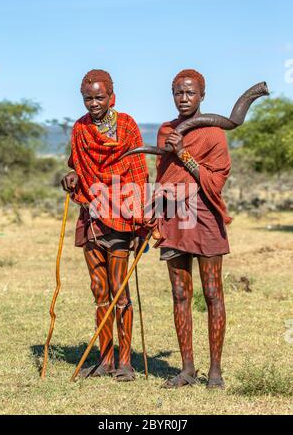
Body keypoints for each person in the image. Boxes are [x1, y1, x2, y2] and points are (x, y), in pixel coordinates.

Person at [61, 69, 148, 381]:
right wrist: (71, 178)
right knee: (99, 291)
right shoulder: (81, 129)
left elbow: (138, 174)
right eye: (88, 98)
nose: (93, 103)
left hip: (122, 219)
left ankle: (125, 363)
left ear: (112, 97)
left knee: (120, 293)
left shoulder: (126, 125)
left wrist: (141, 223)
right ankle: (105, 359)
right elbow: (77, 168)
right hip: (91, 217)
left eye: (99, 97)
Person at [154, 69, 231, 389]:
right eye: (178, 93)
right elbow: (163, 178)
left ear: (202, 95)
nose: (183, 99)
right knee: (180, 294)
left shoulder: (214, 134)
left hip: (206, 218)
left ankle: (215, 370)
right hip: (175, 220)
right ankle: (187, 368)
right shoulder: (165, 130)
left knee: (213, 294)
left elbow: (217, 179)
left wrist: (183, 152)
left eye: (190, 93)